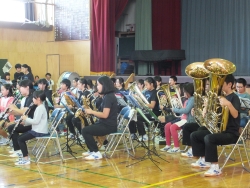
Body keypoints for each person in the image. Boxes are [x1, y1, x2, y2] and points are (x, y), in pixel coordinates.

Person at [190, 74, 240, 177]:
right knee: (195, 135)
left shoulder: (234, 97)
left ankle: (215, 168)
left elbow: (235, 115)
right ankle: (204, 160)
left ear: (230, 84)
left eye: (222, 84)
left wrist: (228, 104)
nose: (219, 86)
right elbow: (212, 115)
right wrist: (207, 107)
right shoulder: (221, 97)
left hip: (231, 133)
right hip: (219, 130)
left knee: (209, 138)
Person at [82, 76, 118, 160]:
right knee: (86, 128)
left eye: (98, 85)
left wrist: (91, 112)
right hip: (104, 123)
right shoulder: (106, 96)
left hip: (108, 126)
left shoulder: (109, 97)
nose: (96, 87)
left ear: (104, 85)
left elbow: (105, 115)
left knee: (85, 131)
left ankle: (96, 153)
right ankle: (92, 150)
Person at [15, 90, 48, 165]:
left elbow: (35, 121)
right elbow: (35, 121)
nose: (32, 99)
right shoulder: (39, 107)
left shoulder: (40, 108)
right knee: (20, 138)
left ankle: (26, 159)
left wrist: (26, 118)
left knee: (20, 139)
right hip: (37, 130)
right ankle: (25, 157)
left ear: (38, 99)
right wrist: (25, 122)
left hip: (39, 131)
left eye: (33, 98)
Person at [160, 83, 195, 153]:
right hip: (182, 118)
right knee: (167, 126)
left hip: (187, 120)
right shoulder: (187, 99)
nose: (183, 93)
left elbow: (186, 110)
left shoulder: (192, 99)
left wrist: (174, 109)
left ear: (189, 91)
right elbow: (182, 109)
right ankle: (168, 145)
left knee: (173, 127)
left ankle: (176, 147)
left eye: (185, 91)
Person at [7, 79, 37, 157]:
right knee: (11, 127)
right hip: (28, 121)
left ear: (27, 87)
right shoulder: (27, 97)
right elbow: (22, 112)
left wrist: (14, 108)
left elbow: (24, 111)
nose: (19, 89)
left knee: (12, 128)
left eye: (21, 87)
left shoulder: (33, 96)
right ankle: (17, 150)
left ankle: (19, 151)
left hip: (34, 124)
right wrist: (11, 112)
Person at [129, 77, 161, 141]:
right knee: (132, 114)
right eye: (145, 84)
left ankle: (144, 135)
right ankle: (133, 133)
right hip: (146, 111)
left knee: (138, 118)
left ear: (151, 84)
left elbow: (152, 106)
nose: (145, 86)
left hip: (154, 113)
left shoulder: (155, 93)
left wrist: (142, 104)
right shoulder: (146, 92)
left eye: (146, 84)